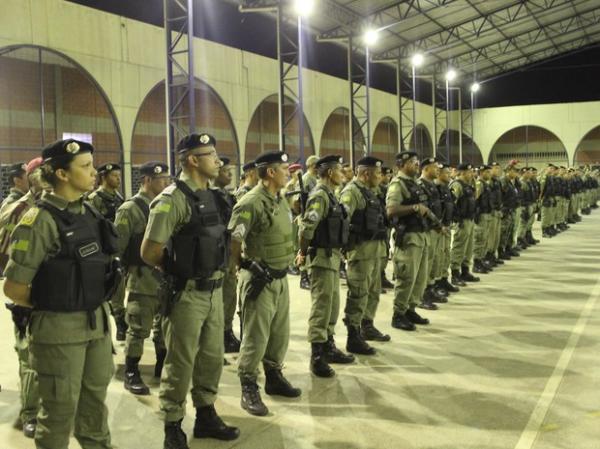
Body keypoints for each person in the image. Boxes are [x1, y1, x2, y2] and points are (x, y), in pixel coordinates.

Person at [3, 138, 118, 449]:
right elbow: (13, 288)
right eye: (85, 167)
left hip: (96, 325)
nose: (94, 172)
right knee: (58, 411)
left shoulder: (90, 214)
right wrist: (54, 302)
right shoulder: (38, 221)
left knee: (94, 405)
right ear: (62, 174)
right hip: (59, 331)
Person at [141, 133, 240, 448]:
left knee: (211, 357)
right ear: (193, 160)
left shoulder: (214, 196)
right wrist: (178, 271)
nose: (217, 160)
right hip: (185, 294)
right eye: (210, 154)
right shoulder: (172, 199)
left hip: (213, 291)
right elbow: (149, 251)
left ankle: (206, 415)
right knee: (180, 362)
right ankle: (172, 424)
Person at [228, 150, 301, 417]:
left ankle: (273, 377)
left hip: (280, 278)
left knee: (279, 334)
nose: (289, 174)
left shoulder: (279, 199)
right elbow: (234, 241)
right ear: (271, 172)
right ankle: (249, 385)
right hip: (260, 279)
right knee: (256, 336)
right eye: (285, 169)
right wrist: (244, 266)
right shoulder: (250, 203)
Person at [116, 161, 171, 396]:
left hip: (165, 277)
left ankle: (161, 363)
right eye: (162, 180)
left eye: (168, 179)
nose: (167, 183)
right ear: (147, 180)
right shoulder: (130, 209)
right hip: (142, 278)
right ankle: (131, 370)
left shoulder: (166, 205)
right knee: (138, 327)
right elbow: (117, 247)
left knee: (163, 325)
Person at [297, 155, 354, 377]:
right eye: (340, 170)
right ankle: (317, 355)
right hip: (321, 259)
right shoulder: (320, 195)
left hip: (332, 258)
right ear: (330, 173)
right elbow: (306, 228)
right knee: (321, 307)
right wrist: (302, 252)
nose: (343, 174)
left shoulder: (332, 195)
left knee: (332, 306)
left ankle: (328, 345)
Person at [0, 157, 45, 439]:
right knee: (30, 358)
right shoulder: (19, 210)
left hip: (59, 295)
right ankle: (30, 413)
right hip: (26, 291)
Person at [340, 156, 390, 349]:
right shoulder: (351, 192)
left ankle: (367, 325)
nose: (380, 176)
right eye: (377, 173)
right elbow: (343, 221)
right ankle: (353, 335)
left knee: (373, 291)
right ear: (366, 173)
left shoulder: (372, 192)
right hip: (360, 251)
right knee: (358, 293)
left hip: (376, 250)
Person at [386, 151, 432, 331]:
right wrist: (414, 207)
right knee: (406, 277)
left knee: (420, 277)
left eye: (417, 161)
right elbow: (391, 210)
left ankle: (410, 309)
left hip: (421, 235)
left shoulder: (414, 184)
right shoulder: (397, 185)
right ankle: (398, 314)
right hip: (408, 237)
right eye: (413, 162)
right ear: (402, 165)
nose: (416, 164)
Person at [88, 163, 127, 339]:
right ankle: (119, 323)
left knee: (120, 284)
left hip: (118, 246)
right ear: (103, 177)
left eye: (119, 175)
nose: (118, 179)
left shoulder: (118, 197)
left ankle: (121, 320)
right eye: (114, 176)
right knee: (114, 288)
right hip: (104, 250)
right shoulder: (94, 198)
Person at [214, 156, 242, 353]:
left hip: (228, 253)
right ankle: (220, 334)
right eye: (226, 172)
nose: (230, 175)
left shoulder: (226, 195)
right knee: (222, 296)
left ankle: (226, 331)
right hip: (217, 254)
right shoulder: (212, 196)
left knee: (230, 294)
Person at [418, 158, 448, 307]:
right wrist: (437, 225)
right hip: (428, 230)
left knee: (434, 261)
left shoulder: (432, 186)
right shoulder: (420, 185)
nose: (438, 170)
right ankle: (422, 294)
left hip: (436, 229)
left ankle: (430, 288)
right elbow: (425, 211)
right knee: (426, 263)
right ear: (425, 169)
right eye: (434, 168)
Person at [449, 163, 480, 285]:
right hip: (461, 221)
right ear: (461, 172)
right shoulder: (457, 185)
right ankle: (455, 274)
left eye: (472, 171)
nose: (471, 173)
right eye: (469, 172)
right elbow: (451, 202)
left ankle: (465, 271)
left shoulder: (468, 185)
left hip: (470, 219)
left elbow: (475, 198)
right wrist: (456, 219)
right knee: (459, 247)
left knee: (468, 248)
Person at [473, 165, 494, 274]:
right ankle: (476, 263)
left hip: (487, 214)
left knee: (485, 239)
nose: (489, 174)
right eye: (487, 172)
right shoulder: (479, 184)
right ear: (481, 173)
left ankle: (481, 260)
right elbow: (474, 200)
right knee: (479, 239)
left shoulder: (486, 184)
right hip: (481, 215)